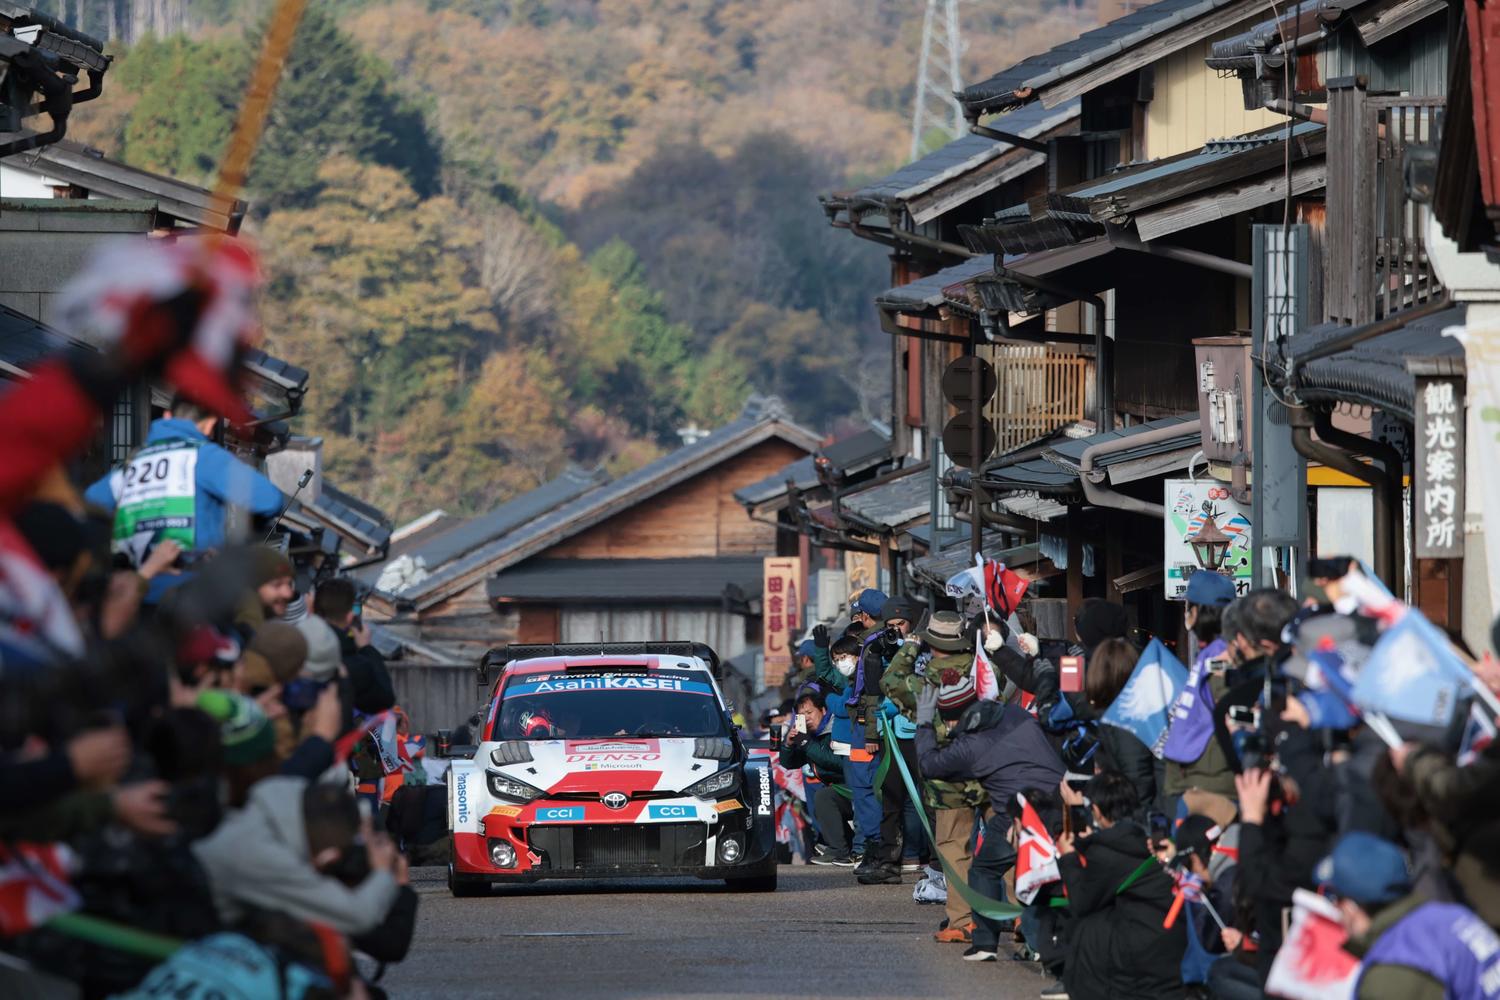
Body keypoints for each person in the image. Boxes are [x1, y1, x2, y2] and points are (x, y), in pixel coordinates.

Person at [914, 679, 1065, 961]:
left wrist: (924, 726)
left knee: (985, 870)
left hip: (1018, 815)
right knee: (1055, 875)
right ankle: (1040, 939)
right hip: (1061, 801)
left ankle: (989, 944)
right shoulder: (1016, 715)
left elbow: (928, 765)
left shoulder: (970, 746)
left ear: (954, 718)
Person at [85, 394, 286, 602]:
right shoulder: (203, 456)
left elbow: (86, 506)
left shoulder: (132, 465)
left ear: (167, 416)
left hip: (130, 595)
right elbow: (269, 500)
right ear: (209, 425)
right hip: (188, 598)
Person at [882, 610, 989, 944]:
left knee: (955, 846)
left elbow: (889, 681)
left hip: (948, 776)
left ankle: (963, 920)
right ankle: (1014, 916)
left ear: (931, 641)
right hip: (993, 768)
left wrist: (911, 643)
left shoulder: (924, 682)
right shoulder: (982, 671)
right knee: (1005, 840)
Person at [1318, 831, 1500, 999]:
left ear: (1351, 907)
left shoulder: (1393, 973)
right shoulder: (1452, 916)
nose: (1337, 912)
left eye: (1333, 898)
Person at [1057, 771, 1186, 1000]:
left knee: (1088, 927)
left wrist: (1068, 857)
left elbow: (1081, 901)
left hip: (1140, 952)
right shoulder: (1156, 829)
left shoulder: (1107, 851)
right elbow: (1105, 849)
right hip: (1174, 935)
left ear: (1095, 810)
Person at [1163, 570, 1239, 808]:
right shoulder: (1211, 652)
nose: (1186, 612)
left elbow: (1231, 711)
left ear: (1199, 611)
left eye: (1189, 606)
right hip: (1196, 775)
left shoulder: (1222, 656)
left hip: (1208, 783)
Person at [780, 684, 856, 866]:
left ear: (823, 710)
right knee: (819, 801)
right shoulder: (811, 738)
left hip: (854, 786)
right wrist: (789, 745)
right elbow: (789, 764)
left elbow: (837, 762)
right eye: (801, 715)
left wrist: (806, 743)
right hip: (839, 788)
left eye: (810, 712)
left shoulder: (835, 730)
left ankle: (840, 851)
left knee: (824, 797)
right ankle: (847, 845)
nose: (806, 718)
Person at [312, 577, 396, 714]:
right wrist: (366, 648)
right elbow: (384, 698)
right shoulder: (356, 664)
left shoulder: (299, 648)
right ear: (350, 617)